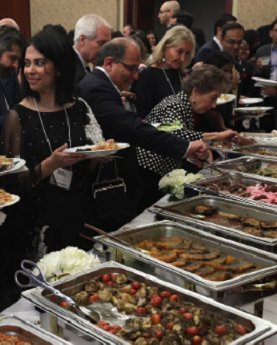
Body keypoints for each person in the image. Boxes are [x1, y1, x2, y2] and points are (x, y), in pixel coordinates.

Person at [79, 38, 209, 226]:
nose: (136, 76)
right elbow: (130, 126)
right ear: (109, 63)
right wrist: (185, 146)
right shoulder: (97, 87)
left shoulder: (101, 85)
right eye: (131, 69)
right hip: (108, 185)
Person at [1, 28, 102, 262]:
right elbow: (12, 184)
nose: (30, 70)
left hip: (79, 209)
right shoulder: (18, 116)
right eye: (27, 63)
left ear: (58, 68)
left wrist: (97, 156)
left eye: (39, 63)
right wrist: (50, 164)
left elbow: (87, 168)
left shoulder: (79, 108)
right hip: (39, 216)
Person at [140, 65, 237, 211]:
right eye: (213, 98)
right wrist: (218, 136)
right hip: (148, 174)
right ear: (195, 91)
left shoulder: (185, 105)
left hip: (161, 172)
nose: (214, 105)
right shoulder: (173, 105)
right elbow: (176, 135)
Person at [135, 26, 195, 119]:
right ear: (165, 47)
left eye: (187, 53)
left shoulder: (183, 74)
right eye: (179, 52)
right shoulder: (148, 75)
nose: (182, 58)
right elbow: (143, 114)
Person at [73, 14, 112, 84]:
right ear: (82, 40)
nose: (105, 50)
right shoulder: (71, 69)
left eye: (107, 44)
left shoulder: (82, 65)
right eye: (101, 43)